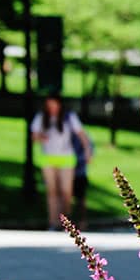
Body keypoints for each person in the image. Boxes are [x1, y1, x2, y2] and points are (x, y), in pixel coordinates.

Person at [31, 94, 92, 230]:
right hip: (48, 157)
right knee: (52, 191)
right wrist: (41, 137)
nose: (52, 108)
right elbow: (34, 136)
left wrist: (87, 151)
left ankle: (66, 219)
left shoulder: (69, 117)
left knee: (66, 192)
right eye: (49, 105)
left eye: (54, 105)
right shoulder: (42, 117)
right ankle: (53, 222)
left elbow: (82, 135)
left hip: (66, 158)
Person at [71, 127, 95, 230]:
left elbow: (89, 153)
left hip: (80, 172)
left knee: (80, 200)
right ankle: (71, 222)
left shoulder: (85, 136)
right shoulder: (66, 134)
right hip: (68, 171)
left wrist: (77, 162)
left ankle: (82, 222)